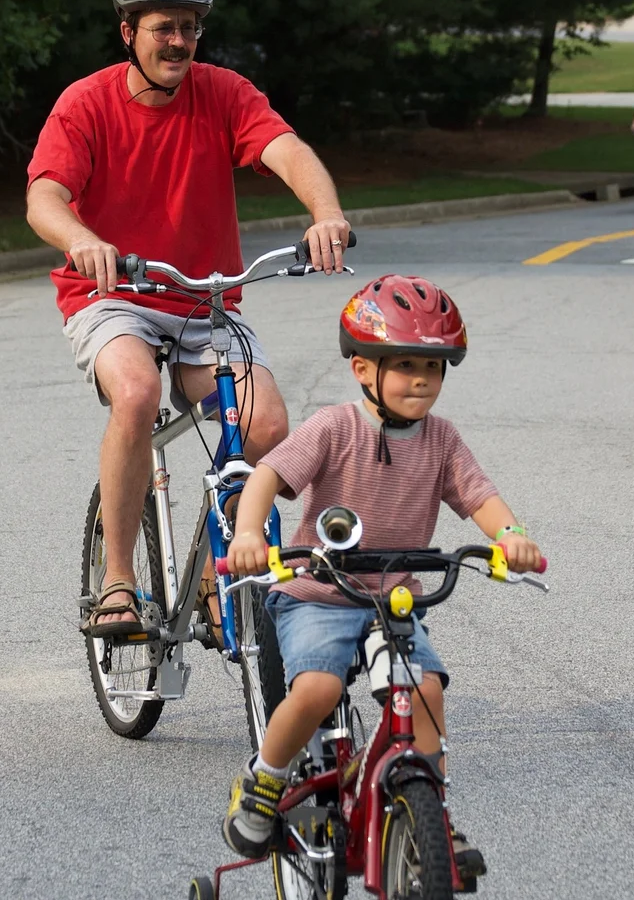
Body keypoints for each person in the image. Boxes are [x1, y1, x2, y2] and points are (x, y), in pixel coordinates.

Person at [25, 0, 352, 640]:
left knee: (266, 427)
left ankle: (212, 570)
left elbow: (287, 150)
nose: (179, 42)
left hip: (206, 302)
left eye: (190, 28)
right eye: (164, 28)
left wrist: (326, 214)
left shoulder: (224, 92)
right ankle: (119, 579)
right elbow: (45, 196)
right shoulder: (85, 103)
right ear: (128, 33)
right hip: (113, 294)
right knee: (137, 393)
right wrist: (82, 239)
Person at [219, 275, 545, 873]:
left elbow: (479, 496)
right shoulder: (335, 427)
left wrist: (511, 537)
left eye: (433, 367)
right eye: (406, 365)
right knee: (316, 691)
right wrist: (247, 535)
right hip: (319, 594)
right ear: (363, 369)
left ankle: (432, 810)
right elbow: (267, 476)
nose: (422, 379)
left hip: (392, 601)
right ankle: (264, 777)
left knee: (426, 692)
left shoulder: (441, 439)